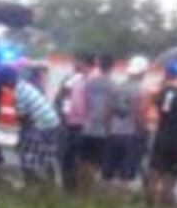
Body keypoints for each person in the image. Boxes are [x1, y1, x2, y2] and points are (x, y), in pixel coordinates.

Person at [147, 62, 177, 207]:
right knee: (169, 181)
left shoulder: (165, 93)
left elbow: (160, 109)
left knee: (154, 175)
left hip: (162, 137)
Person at [3, 66, 61, 182]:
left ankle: (30, 184)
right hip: (53, 122)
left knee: (26, 154)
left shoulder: (18, 93)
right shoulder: (24, 85)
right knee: (47, 155)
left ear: (7, 80)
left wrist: (21, 139)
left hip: (41, 124)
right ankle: (50, 185)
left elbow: (24, 120)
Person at [103, 56, 147, 184]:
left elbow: (107, 112)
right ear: (142, 72)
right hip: (130, 135)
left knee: (107, 174)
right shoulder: (140, 90)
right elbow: (139, 114)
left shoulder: (116, 87)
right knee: (125, 176)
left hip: (113, 133)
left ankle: (101, 200)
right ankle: (120, 201)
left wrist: (107, 131)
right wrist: (141, 131)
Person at [78, 55, 115, 191]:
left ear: (98, 65)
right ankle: (88, 193)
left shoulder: (90, 83)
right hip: (100, 130)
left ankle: (80, 191)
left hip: (87, 126)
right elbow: (108, 109)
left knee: (83, 161)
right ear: (112, 67)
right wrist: (108, 129)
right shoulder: (112, 85)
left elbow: (85, 104)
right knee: (95, 163)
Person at [55, 53, 92, 188]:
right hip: (67, 124)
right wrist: (61, 114)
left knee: (78, 158)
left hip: (81, 125)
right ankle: (67, 186)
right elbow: (59, 99)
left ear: (86, 64)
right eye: (75, 61)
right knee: (65, 157)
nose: (76, 64)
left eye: (79, 62)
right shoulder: (69, 79)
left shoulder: (89, 81)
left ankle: (74, 187)